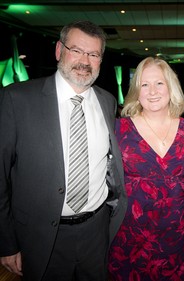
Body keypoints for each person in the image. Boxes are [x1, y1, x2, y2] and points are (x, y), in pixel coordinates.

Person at [0, 20, 127, 281]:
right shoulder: (17, 99)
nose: (84, 60)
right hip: (40, 236)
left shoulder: (107, 101)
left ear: (101, 60)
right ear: (59, 50)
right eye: (76, 50)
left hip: (96, 232)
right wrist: (6, 242)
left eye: (93, 54)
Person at [107, 57, 184, 281]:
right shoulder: (118, 130)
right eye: (144, 84)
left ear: (171, 87)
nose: (152, 91)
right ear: (137, 90)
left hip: (179, 243)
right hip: (130, 242)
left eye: (159, 83)